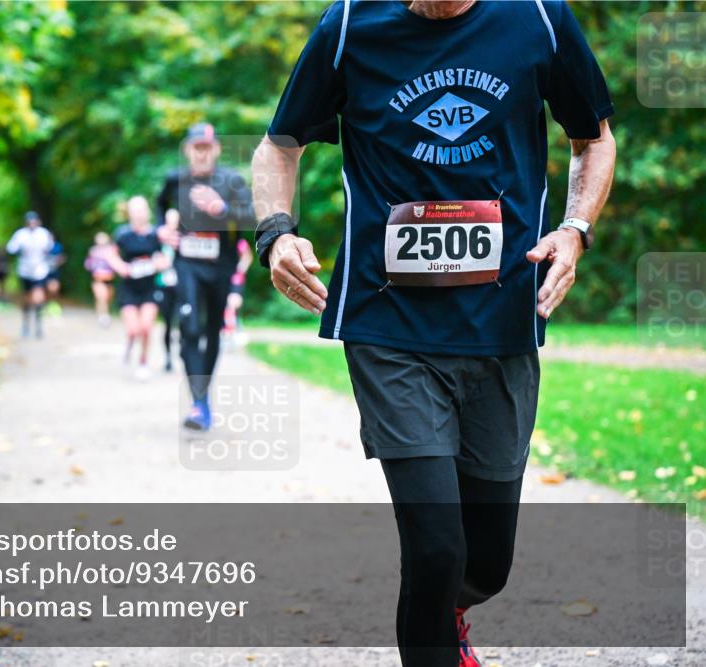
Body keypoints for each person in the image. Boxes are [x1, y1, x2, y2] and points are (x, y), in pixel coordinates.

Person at [251, 2, 616, 665]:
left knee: (486, 561)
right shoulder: (349, 25)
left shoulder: (537, 17)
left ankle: (452, 608)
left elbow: (593, 136)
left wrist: (576, 228)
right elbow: (279, 145)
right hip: (387, 324)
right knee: (435, 547)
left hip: (504, 322)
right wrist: (275, 231)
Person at [157, 122, 255, 430]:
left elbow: (253, 217)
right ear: (187, 150)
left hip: (221, 265)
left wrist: (220, 209)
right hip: (187, 263)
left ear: (215, 150)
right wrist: (163, 230)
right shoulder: (176, 180)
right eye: (195, 148)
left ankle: (203, 396)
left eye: (206, 148)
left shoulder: (231, 180)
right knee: (189, 327)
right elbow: (160, 205)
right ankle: (198, 404)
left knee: (212, 330)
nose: (200, 154)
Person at [110, 196, 170, 381]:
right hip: (129, 289)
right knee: (132, 330)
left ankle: (143, 362)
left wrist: (160, 263)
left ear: (147, 212)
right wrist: (120, 266)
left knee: (145, 327)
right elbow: (111, 254)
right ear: (129, 213)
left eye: (142, 210)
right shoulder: (122, 234)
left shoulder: (155, 235)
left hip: (149, 288)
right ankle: (128, 346)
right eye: (135, 210)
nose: (139, 214)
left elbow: (165, 257)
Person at [6, 211, 55, 339]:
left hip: (39, 270)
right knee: (27, 299)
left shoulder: (44, 234)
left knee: (38, 297)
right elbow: (10, 248)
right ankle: (26, 324)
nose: (32, 224)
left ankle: (39, 326)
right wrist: (18, 250)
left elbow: (50, 248)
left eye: (34, 221)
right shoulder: (20, 234)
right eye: (29, 222)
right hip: (25, 270)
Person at [153, 209, 181, 371]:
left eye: (175, 220)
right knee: (168, 323)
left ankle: (184, 354)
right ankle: (168, 357)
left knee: (183, 321)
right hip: (163, 286)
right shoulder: (158, 240)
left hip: (180, 286)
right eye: (169, 220)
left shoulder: (183, 240)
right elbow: (156, 262)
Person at [222, 237, 253, 345]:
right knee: (225, 305)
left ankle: (233, 330)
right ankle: (228, 330)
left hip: (236, 280)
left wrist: (241, 268)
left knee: (233, 303)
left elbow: (247, 256)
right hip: (223, 278)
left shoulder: (240, 241)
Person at [85, 232, 117, 327]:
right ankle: (103, 317)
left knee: (108, 298)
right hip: (98, 279)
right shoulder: (93, 251)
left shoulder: (112, 250)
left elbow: (116, 264)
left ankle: (104, 313)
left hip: (109, 279)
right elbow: (88, 264)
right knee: (101, 297)